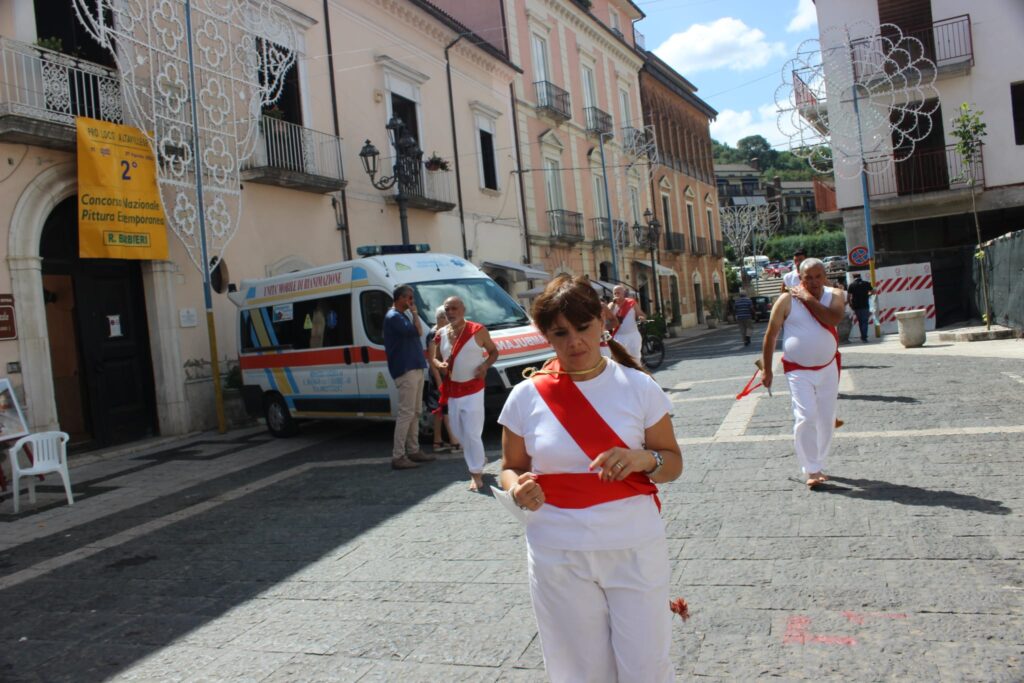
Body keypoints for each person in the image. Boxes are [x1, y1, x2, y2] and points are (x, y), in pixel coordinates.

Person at [498, 275, 683, 682]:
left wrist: (642, 459)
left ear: (602, 321)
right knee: (579, 669)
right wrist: (517, 488)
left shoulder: (639, 387)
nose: (574, 342)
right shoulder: (525, 397)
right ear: (544, 334)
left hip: (633, 545)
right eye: (560, 333)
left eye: (583, 328)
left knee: (647, 666)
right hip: (557, 551)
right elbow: (509, 466)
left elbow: (672, 463)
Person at [761, 258, 846, 489]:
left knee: (827, 419)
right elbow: (771, 335)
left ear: (825, 276)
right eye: (808, 277)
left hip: (828, 368)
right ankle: (812, 468)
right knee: (806, 416)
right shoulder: (786, 300)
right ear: (800, 278)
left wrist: (807, 299)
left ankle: (818, 460)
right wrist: (767, 370)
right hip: (798, 370)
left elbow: (834, 318)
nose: (814, 281)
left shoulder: (835, 295)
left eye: (818, 276)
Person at [429, 296, 499, 491]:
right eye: (447, 309)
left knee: (472, 432)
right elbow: (434, 358)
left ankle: (476, 473)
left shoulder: (477, 330)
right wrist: (439, 365)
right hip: (452, 390)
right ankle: (479, 456)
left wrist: (485, 366)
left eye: (454, 308)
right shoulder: (441, 333)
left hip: (474, 388)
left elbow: (494, 352)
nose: (450, 312)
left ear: (463, 309)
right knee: (459, 434)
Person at [383, 285, 434, 470]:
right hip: (406, 370)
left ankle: (413, 450)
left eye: (412, 298)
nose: (412, 301)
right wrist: (414, 314)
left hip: (415, 367)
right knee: (407, 413)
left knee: (415, 412)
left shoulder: (400, 316)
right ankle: (398, 456)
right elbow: (418, 332)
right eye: (409, 298)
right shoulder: (394, 317)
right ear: (399, 298)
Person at [426, 306, 461, 455]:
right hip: (438, 376)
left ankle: (437, 441)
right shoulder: (434, 334)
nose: (449, 320)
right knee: (445, 408)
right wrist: (439, 381)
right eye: (447, 317)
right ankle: (455, 442)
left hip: (442, 374)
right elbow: (432, 359)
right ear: (440, 318)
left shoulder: (441, 332)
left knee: (439, 410)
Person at [609, 284, 645, 361]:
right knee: (620, 361)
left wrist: (641, 317)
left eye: (618, 293)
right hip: (618, 337)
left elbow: (640, 314)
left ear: (623, 293)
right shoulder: (611, 305)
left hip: (633, 336)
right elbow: (607, 317)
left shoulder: (631, 302)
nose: (616, 295)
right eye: (615, 293)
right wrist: (613, 304)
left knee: (636, 359)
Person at [848, 273, 874, 342]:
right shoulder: (866, 283)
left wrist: (850, 304)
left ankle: (863, 336)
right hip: (865, 305)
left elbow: (849, 296)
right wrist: (868, 295)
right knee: (865, 321)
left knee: (860, 321)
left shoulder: (852, 285)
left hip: (856, 306)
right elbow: (873, 291)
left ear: (854, 277)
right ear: (860, 276)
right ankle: (864, 337)